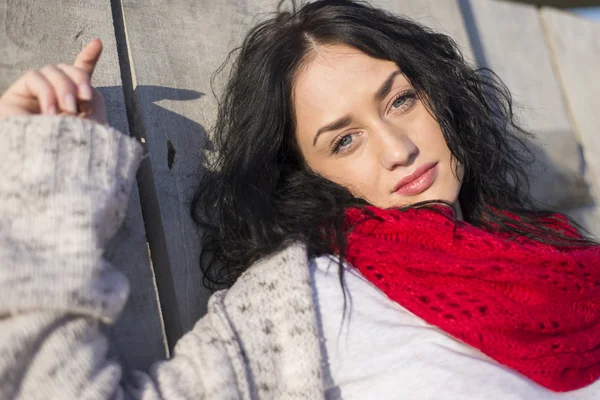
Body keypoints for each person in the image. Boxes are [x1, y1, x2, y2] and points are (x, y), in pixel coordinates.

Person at [1, 0, 600, 399]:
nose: (398, 149)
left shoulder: (554, 246)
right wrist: (47, 184)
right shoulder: (304, 304)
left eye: (400, 101)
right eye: (343, 140)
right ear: (303, 174)